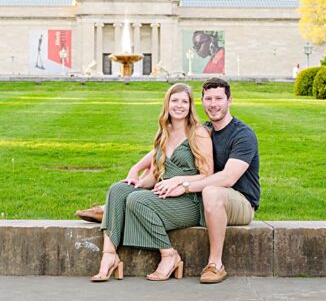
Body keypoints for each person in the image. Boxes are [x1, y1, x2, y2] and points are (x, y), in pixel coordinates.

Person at [79, 77, 260, 284]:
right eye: (208, 98)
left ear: (230, 100)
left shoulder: (240, 134)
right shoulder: (203, 128)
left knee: (209, 191)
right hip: (197, 191)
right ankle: (109, 252)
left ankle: (214, 263)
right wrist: (136, 171)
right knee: (119, 190)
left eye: (219, 98)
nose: (213, 104)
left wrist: (182, 185)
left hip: (234, 198)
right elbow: (161, 153)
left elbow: (226, 178)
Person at [90, 83, 213, 282]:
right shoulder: (164, 132)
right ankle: (109, 256)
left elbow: (208, 175)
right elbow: (156, 174)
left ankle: (169, 254)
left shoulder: (198, 133)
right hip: (163, 195)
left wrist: (179, 181)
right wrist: (137, 182)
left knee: (137, 200)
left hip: (188, 200)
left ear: (191, 106)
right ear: (167, 103)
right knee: (118, 190)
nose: (179, 105)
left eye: (184, 101)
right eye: (175, 100)